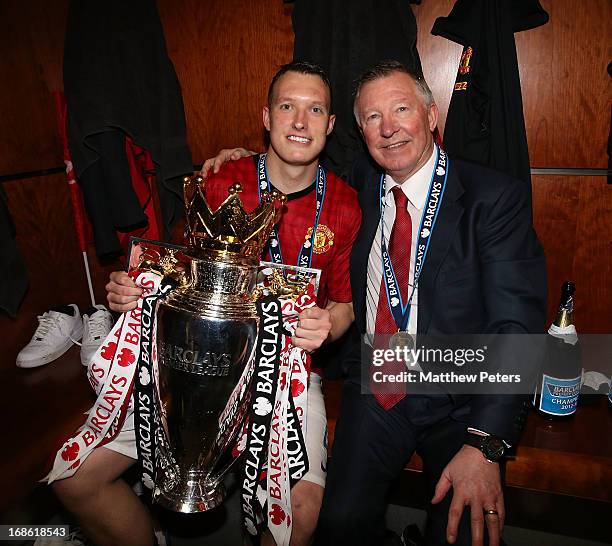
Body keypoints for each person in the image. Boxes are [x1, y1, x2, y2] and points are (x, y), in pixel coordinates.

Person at [208, 60, 546, 546]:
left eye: (401, 110)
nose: (388, 129)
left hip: (463, 396)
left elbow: (517, 327)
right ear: (358, 130)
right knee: (339, 525)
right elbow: (289, 165)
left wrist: (487, 444)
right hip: (380, 382)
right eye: (371, 117)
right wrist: (238, 159)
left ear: (431, 116)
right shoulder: (358, 191)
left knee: (463, 534)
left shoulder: (492, 198)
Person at [62, 61, 360, 546]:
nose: (300, 123)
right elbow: (172, 275)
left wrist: (329, 323)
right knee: (76, 480)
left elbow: (346, 304)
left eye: (314, 110)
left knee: (302, 513)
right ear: (266, 116)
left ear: (330, 124)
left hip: (286, 372)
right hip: (193, 364)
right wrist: (129, 291)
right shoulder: (221, 179)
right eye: (288, 107)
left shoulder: (346, 203)